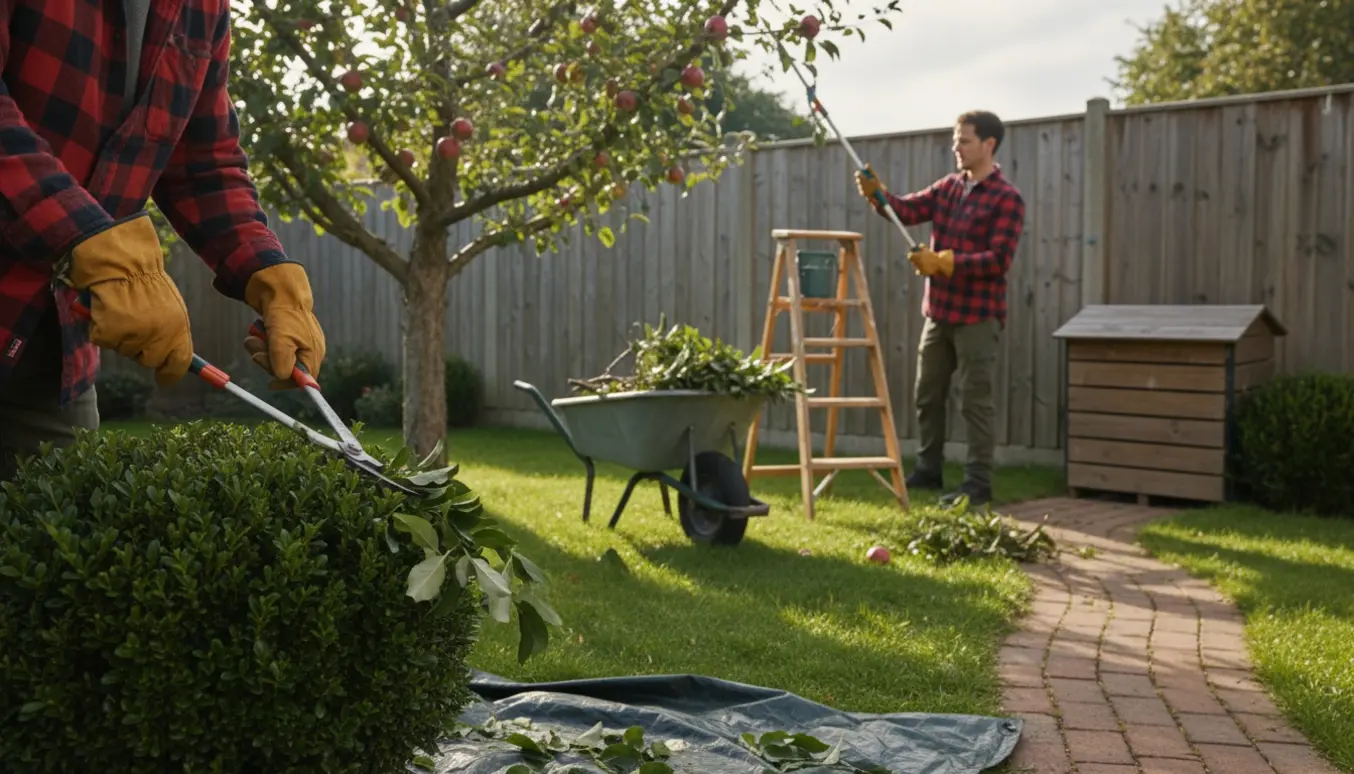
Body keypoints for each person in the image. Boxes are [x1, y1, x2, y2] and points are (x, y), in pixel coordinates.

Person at [0, 0, 326, 481]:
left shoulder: (202, 7)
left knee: (66, 538)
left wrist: (268, 273)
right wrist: (87, 240)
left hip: (53, 346)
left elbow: (203, 161)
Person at [854, 110, 1025, 507]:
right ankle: (929, 470)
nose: (956, 148)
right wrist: (877, 195)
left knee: (975, 401)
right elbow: (906, 211)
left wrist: (945, 262)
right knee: (927, 394)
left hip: (978, 317)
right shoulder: (948, 187)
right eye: (955, 140)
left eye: (964, 141)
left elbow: (998, 260)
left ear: (988, 145)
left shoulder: (1007, 198)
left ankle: (978, 483)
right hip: (939, 312)